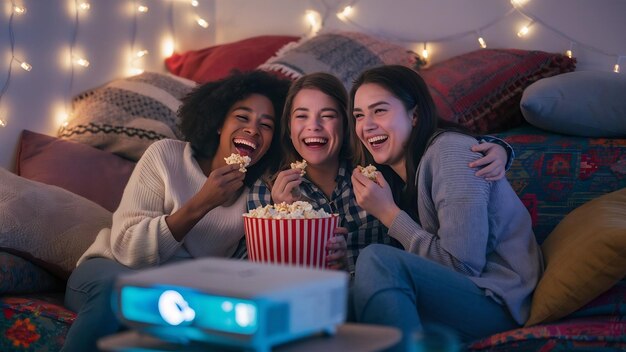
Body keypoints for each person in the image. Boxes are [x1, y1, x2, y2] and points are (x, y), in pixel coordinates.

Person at [61, 70, 291, 351]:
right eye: (242, 117)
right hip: (110, 270)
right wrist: (201, 203)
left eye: (266, 125)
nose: (253, 129)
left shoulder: (258, 195)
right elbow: (127, 250)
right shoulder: (165, 156)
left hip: (174, 297)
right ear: (219, 123)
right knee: (119, 289)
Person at [348, 65, 543, 350]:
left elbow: (463, 266)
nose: (366, 126)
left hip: (496, 301)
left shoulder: (450, 152)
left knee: (378, 259)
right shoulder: (395, 175)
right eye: (359, 115)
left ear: (414, 115)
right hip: (457, 294)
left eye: (379, 111)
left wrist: (389, 213)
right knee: (338, 297)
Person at [248, 72, 514, 274]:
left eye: (327, 115)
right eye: (301, 116)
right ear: (289, 125)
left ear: (347, 124)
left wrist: (498, 149)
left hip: (380, 287)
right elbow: (263, 274)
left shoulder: (376, 173)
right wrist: (283, 223)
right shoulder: (270, 189)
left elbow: (426, 150)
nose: (314, 126)